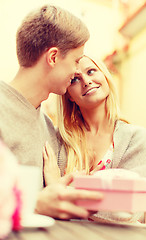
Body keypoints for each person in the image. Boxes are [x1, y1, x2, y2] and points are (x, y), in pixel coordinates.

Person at [0, 5, 103, 220]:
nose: (77, 71)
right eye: (76, 60)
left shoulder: (47, 127)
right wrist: (34, 203)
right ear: (53, 57)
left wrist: (58, 191)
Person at [43, 55, 146, 222]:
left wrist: (58, 188)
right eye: (75, 79)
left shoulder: (136, 139)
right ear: (69, 96)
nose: (87, 81)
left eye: (91, 71)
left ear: (105, 77)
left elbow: (126, 210)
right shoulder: (60, 140)